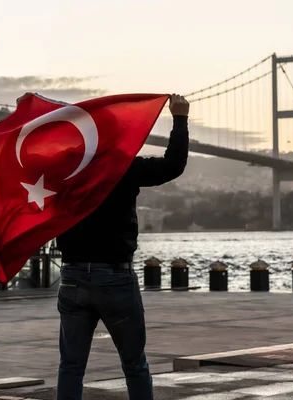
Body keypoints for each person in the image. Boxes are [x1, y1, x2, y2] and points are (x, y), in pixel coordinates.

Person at [54, 94, 189, 400]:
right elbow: (173, 165)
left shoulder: (67, 171)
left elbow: (36, 154)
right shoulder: (123, 167)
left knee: (71, 366)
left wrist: (28, 114)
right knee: (134, 365)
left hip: (73, 277)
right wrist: (179, 119)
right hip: (115, 278)